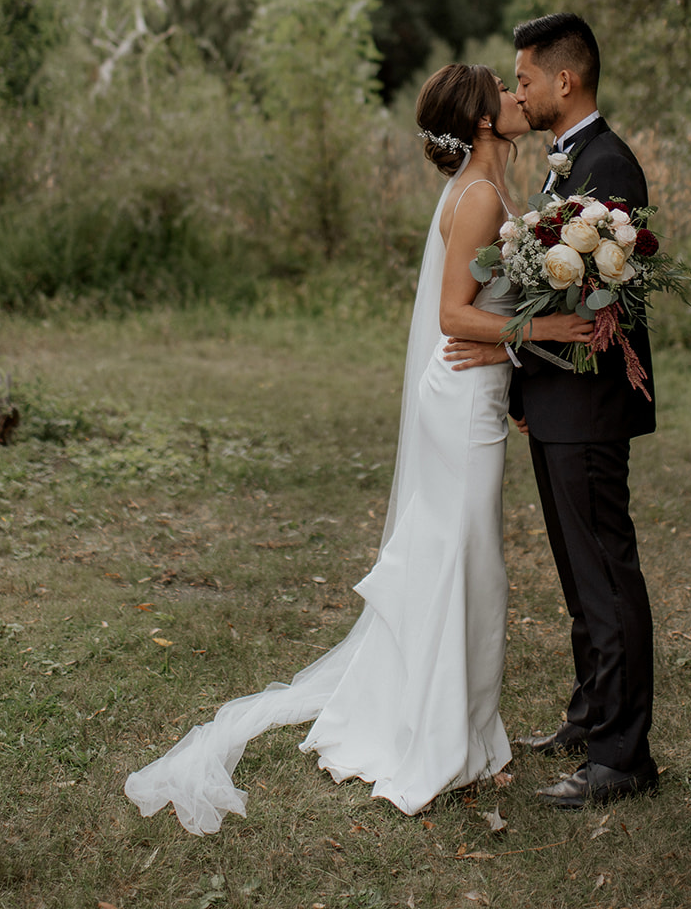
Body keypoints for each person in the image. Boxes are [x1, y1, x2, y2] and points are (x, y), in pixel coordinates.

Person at [124, 62, 596, 832]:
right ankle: (439, 740)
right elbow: (453, 318)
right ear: (482, 121)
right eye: (505, 93)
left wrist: (518, 350)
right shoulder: (478, 199)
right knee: (462, 560)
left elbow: (488, 306)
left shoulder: (500, 188)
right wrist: (544, 330)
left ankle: (467, 731)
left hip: (477, 396)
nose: (519, 98)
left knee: (473, 561)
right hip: (460, 404)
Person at [444, 13, 658, 808]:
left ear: (563, 81)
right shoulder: (567, 166)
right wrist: (525, 383)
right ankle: (589, 714)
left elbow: (595, 300)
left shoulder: (611, 167)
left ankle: (622, 760)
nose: (520, 91)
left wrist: (516, 348)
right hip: (555, 402)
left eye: (526, 78)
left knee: (606, 573)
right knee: (579, 574)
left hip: (591, 406)